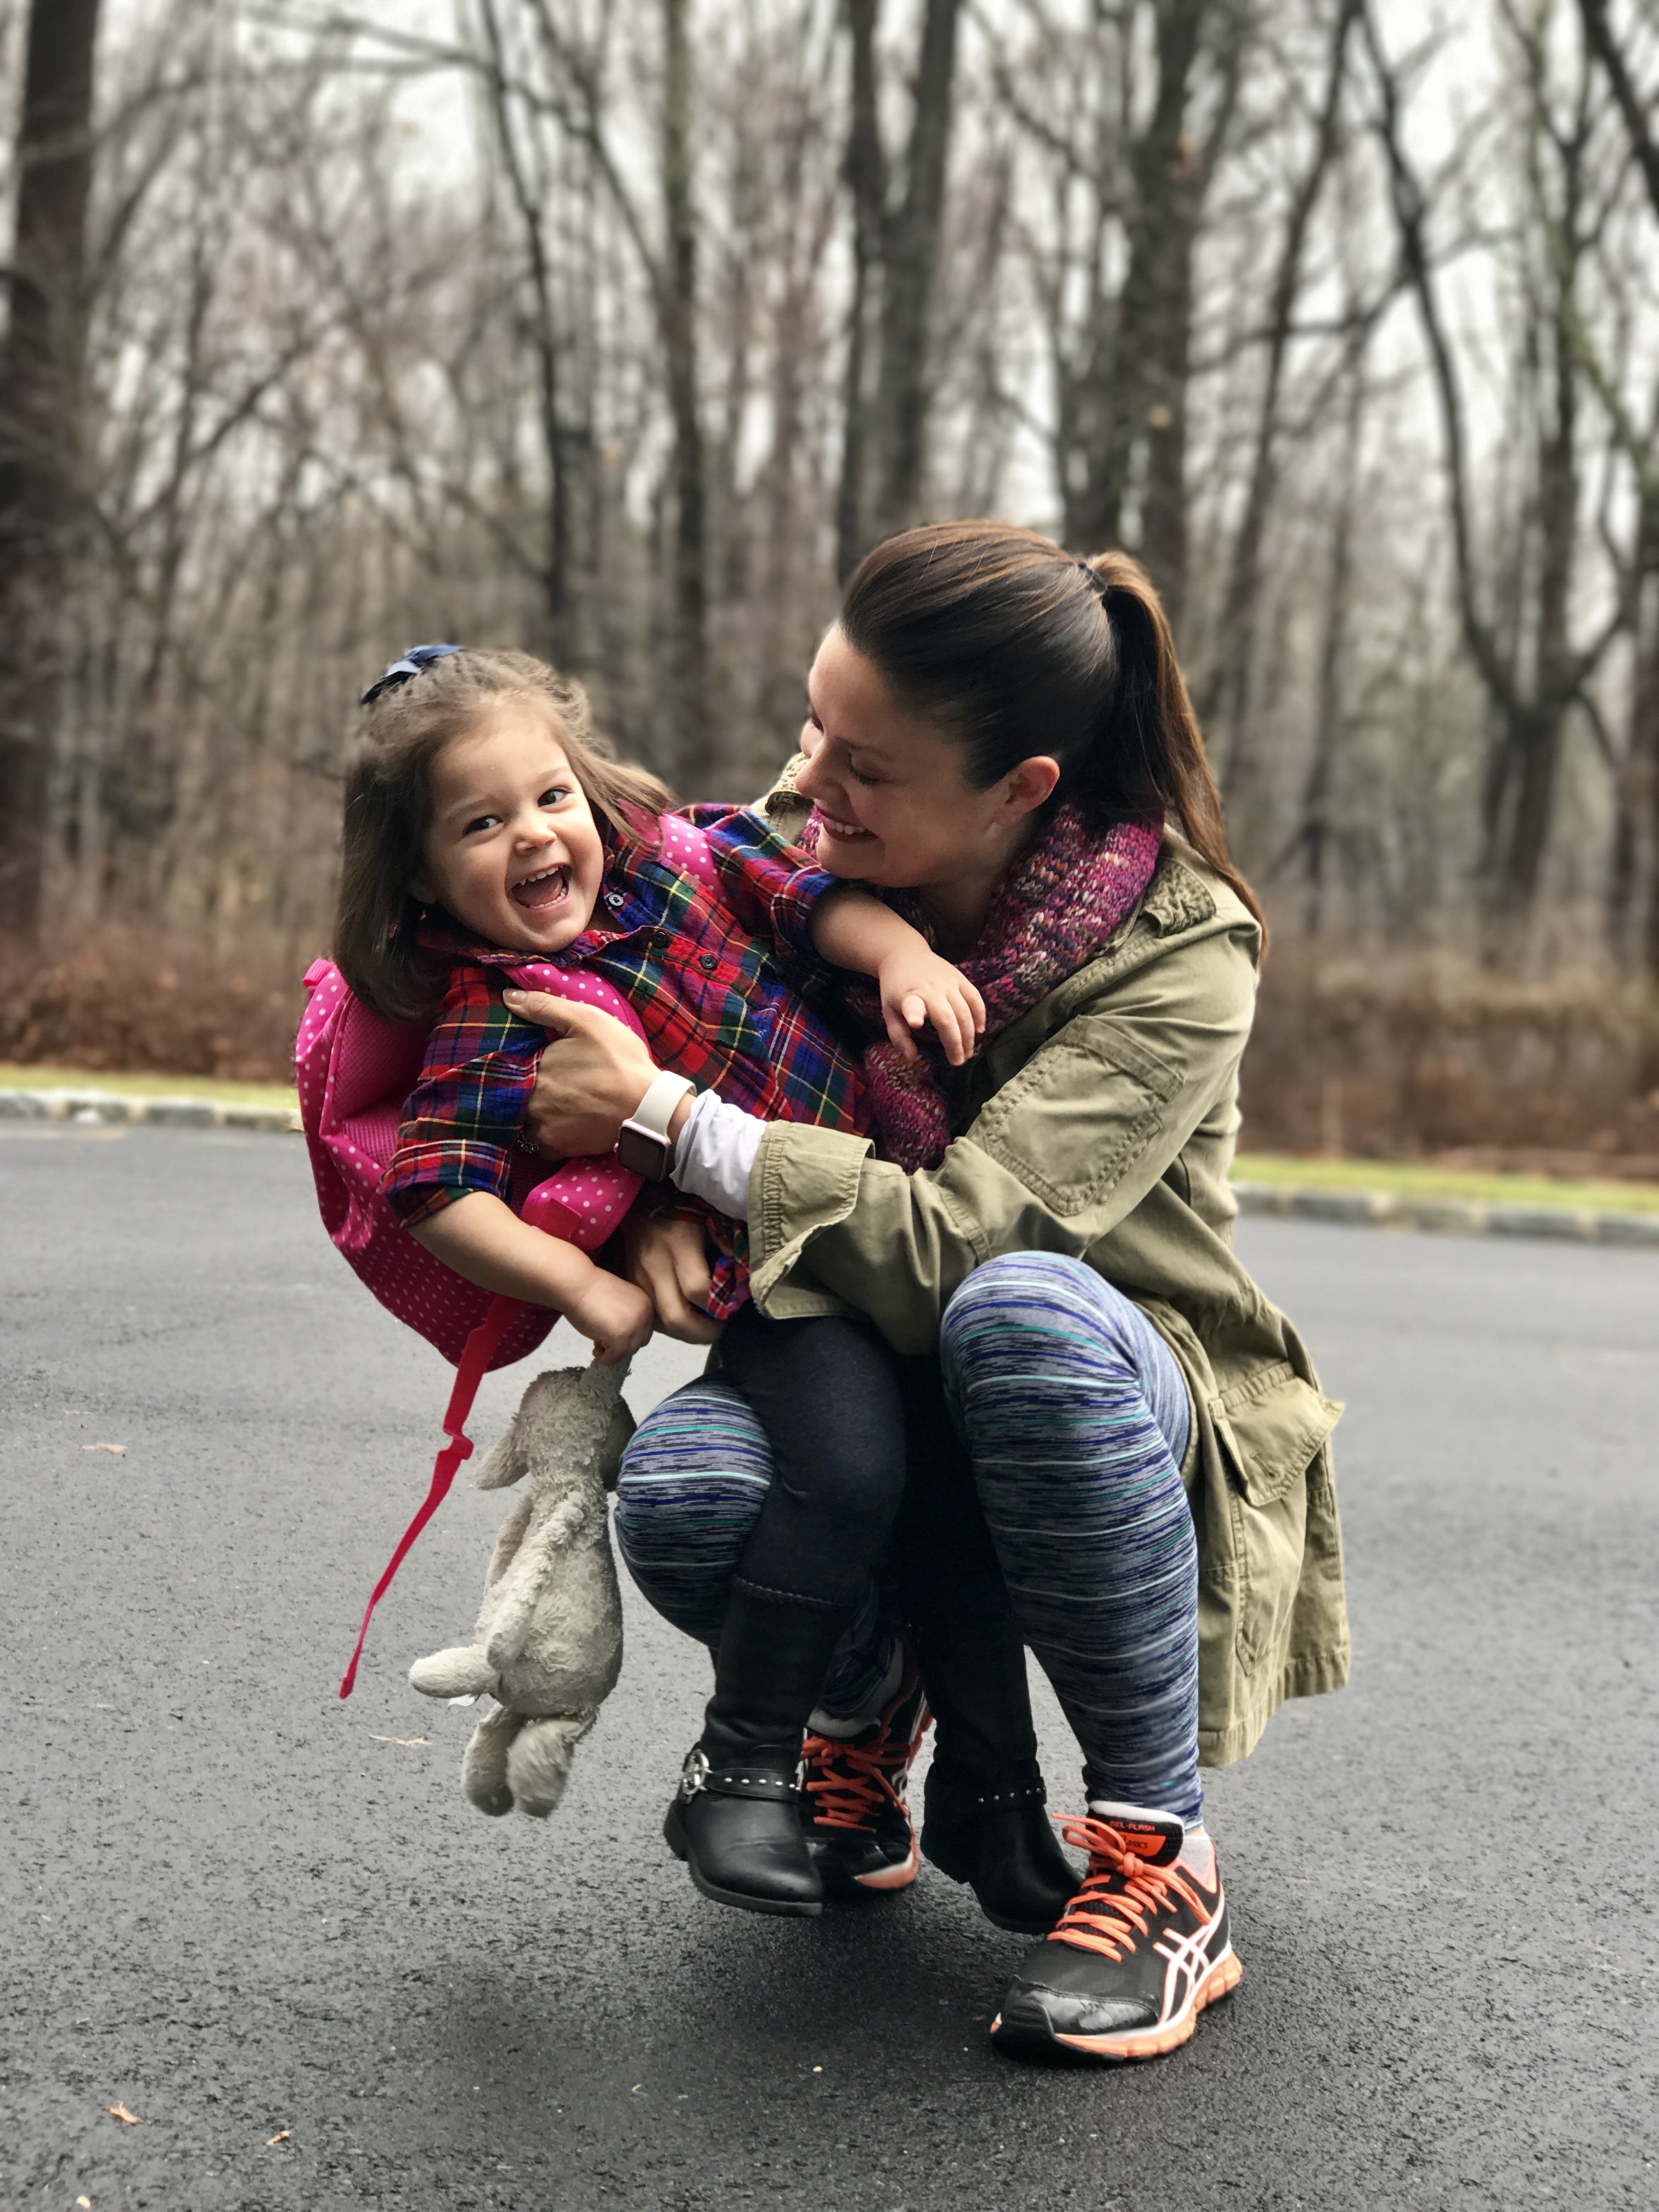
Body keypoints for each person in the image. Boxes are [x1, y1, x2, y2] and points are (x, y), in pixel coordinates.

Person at [506, 522, 1350, 2066]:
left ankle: (1163, 1865)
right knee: (694, 1499)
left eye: (866, 769)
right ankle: (867, 1710)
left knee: (1017, 1314)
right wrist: (642, 1223)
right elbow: (648, 1027)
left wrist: (680, 1132)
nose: (810, 785)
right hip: (860, 1382)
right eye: (815, 725)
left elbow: (961, 1241)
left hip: (1104, 1386)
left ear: (1023, 789)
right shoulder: (809, 844)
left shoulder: (1176, 951)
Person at [334, 641, 1042, 1921]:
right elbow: (434, 1184)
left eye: (550, 797)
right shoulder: (505, 1014)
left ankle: (994, 1796)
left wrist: (895, 959)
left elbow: (811, 901)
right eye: (480, 824)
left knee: (957, 1499)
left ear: (590, 789)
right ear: (426, 875)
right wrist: (585, 1288)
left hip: (888, 1218)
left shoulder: (688, 862)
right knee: (853, 1474)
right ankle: (744, 1762)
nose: (534, 837)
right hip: (780, 1276)